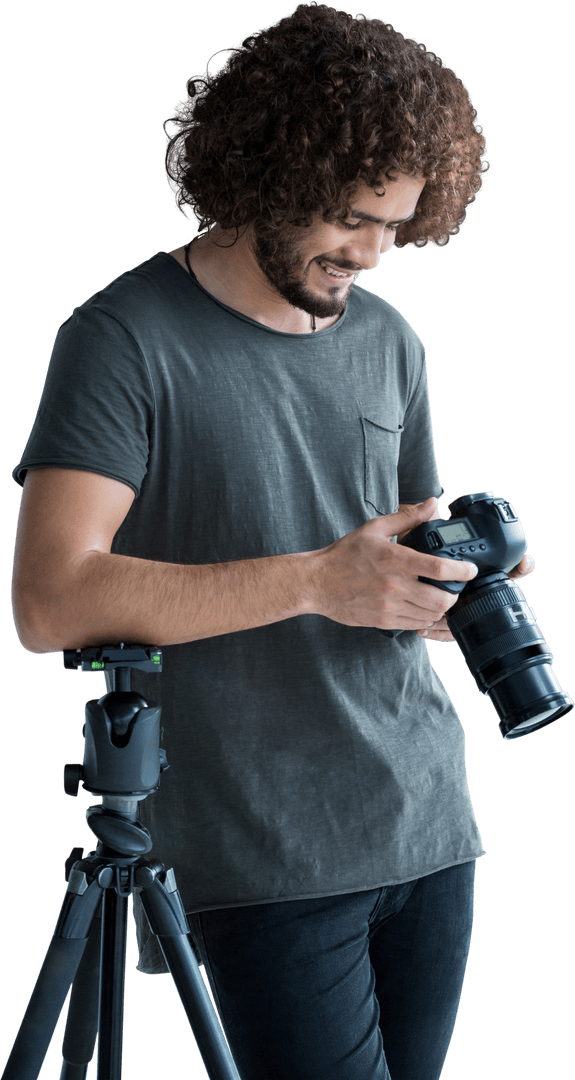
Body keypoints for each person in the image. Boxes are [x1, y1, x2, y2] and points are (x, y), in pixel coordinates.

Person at [11, 4, 534, 1078]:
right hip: (265, 845)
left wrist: (450, 591)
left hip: (430, 821)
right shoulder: (120, 340)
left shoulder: (390, 341)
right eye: (350, 218)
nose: (372, 254)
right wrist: (315, 580)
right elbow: (50, 601)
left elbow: (376, 578)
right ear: (265, 175)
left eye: (393, 225)